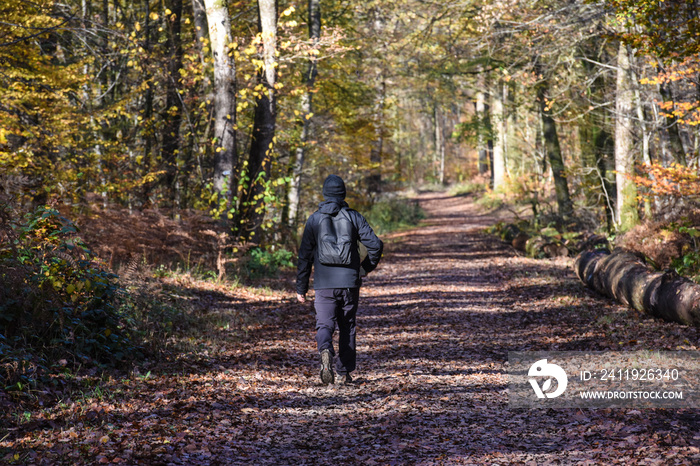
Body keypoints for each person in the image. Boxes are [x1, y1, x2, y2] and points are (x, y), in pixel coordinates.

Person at [296, 175, 383, 385]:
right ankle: (344, 374)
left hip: (324, 283)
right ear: (343, 193)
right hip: (349, 283)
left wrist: (301, 287)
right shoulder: (354, 217)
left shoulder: (314, 219)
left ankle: (325, 350)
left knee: (324, 324)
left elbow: (305, 255)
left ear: (325, 194)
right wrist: (364, 268)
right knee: (347, 326)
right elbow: (376, 246)